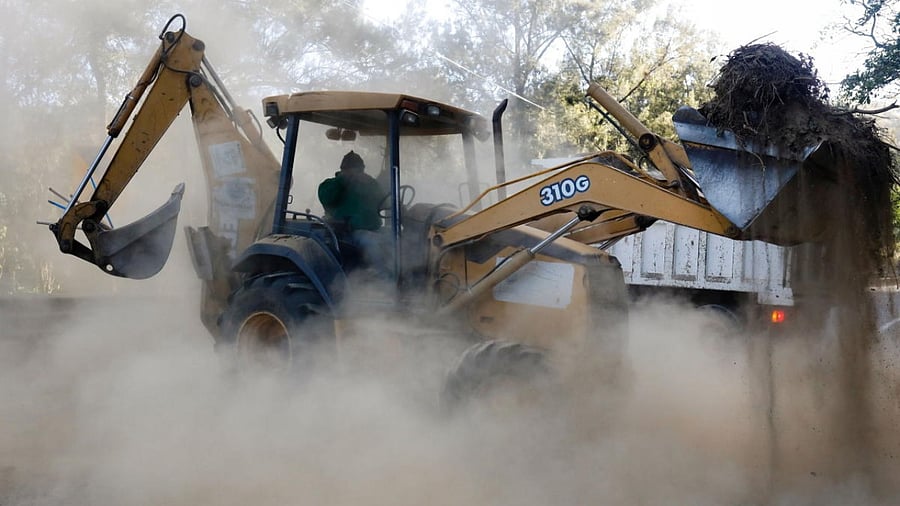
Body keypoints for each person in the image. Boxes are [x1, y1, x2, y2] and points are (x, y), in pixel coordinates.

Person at [318, 150, 388, 269]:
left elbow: (384, 201)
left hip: (373, 229)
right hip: (348, 232)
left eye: (361, 171)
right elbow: (327, 198)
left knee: (395, 238)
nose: (361, 174)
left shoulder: (370, 184)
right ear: (345, 170)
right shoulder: (331, 185)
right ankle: (382, 279)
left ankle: (403, 275)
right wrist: (343, 179)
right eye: (357, 171)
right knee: (375, 243)